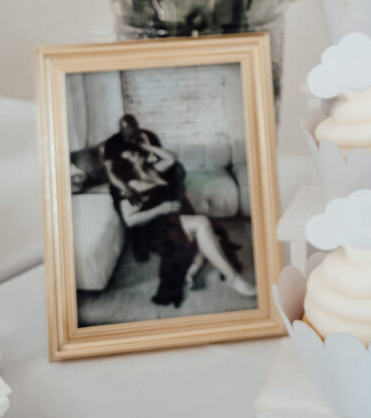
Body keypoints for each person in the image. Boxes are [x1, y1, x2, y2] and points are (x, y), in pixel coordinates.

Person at [102, 115, 256, 307]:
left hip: (171, 216)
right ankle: (234, 279)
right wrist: (160, 208)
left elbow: (171, 157)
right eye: (131, 156)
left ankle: (194, 267)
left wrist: (145, 146)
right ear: (126, 165)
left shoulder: (153, 170)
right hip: (155, 227)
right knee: (202, 224)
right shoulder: (133, 186)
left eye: (135, 152)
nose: (136, 155)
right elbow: (130, 220)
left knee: (205, 237)